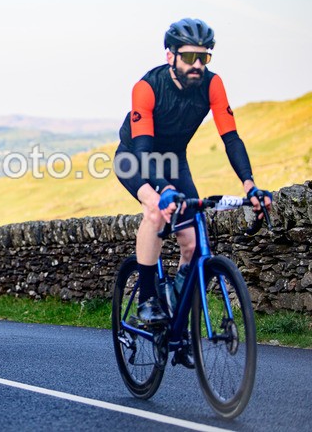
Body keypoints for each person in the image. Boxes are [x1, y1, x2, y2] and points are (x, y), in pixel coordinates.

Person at [114, 18, 272, 367]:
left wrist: (250, 185)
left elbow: (230, 137)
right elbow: (142, 150)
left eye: (205, 57)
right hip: (135, 158)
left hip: (175, 162)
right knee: (155, 210)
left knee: (192, 241)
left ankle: (177, 319)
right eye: (190, 57)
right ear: (171, 56)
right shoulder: (147, 86)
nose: (198, 65)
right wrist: (161, 188)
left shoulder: (213, 85)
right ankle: (147, 298)